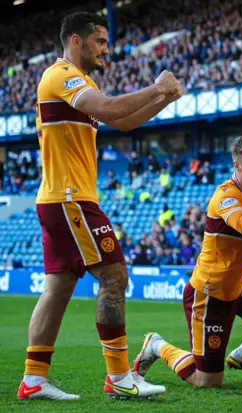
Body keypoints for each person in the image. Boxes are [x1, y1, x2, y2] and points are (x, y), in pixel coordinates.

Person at [18, 11, 183, 400]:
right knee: (114, 277)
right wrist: (156, 85)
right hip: (70, 198)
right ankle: (119, 376)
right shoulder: (61, 75)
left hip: (58, 198)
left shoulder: (80, 84)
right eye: (100, 41)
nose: (107, 49)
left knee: (57, 288)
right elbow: (109, 108)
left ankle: (33, 379)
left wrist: (164, 97)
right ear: (76, 40)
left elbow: (123, 123)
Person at [132, 135, 242, 388]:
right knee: (206, 381)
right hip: (209, 293)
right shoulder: (225, 196)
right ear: (237, 166)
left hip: (239, 285)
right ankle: (156, 345)